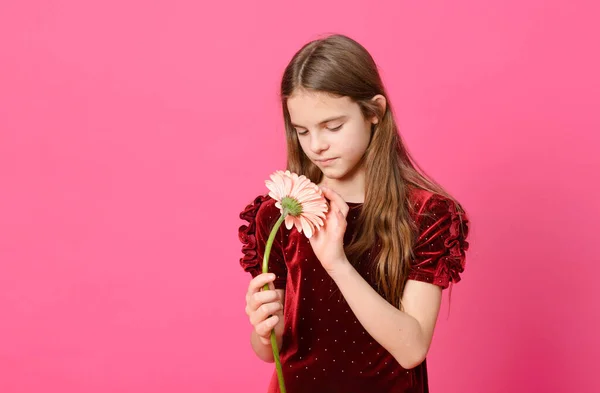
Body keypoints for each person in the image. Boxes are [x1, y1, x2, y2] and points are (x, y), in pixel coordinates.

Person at [237, 34, 470, 393]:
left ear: (374, 112)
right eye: (302, 131)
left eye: (333, 127)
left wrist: (338, 264)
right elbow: (270, 352)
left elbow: (412, 349)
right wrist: (264, 326)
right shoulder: (279, 214)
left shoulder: (425, 214)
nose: (317, 145)